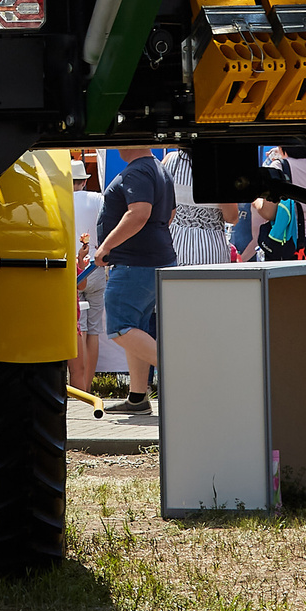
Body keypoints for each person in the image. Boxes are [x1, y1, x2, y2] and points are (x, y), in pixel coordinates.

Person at [91, 146, 177, 415]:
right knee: (135, 327)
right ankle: (138, 398)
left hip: (134, 263)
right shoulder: (159, 169)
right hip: (155, 259)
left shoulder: (137, 171)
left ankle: (184, 372)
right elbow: (170, 214)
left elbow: (138, 213)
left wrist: (106, 246)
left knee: (120, 327)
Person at [70, 155, 103, 394]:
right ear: (83, 181)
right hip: (96, 266)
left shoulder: (59, 201)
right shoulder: (98, 199)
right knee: (93, 330)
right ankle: (89, 386)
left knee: (78, 327)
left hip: (72, 270)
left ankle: (79, 386)